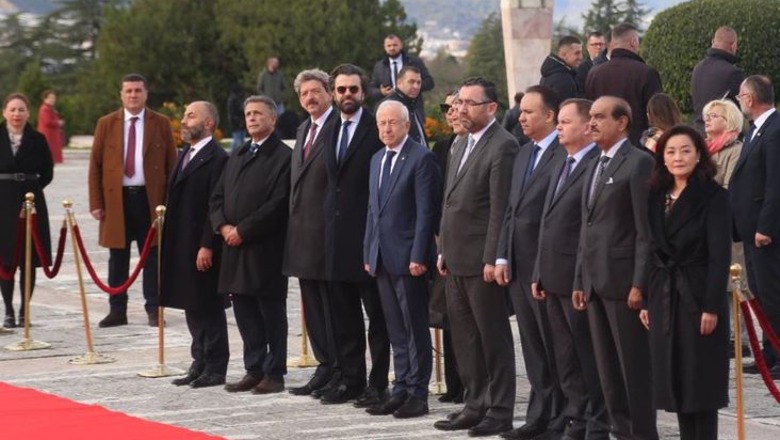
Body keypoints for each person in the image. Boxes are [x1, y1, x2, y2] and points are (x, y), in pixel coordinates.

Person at [434, 77, 518, 437]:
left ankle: (499, 409)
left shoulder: (503, 146)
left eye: (469, 103)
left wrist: (493, 257)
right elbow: (449, 199)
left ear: (491, 107)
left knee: (492, 337)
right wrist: (442, 249)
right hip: (454, 257)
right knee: (465, 338)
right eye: (459, 102)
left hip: (482, 261)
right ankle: (475, 403)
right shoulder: (458, 144)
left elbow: (500, 208)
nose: (460, 109)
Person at [572, 96, 658, 440]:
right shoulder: (596, 163)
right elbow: (586, 226)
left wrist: (640, 284)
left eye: (598, 117)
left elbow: (644, 231)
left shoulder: (638, 163)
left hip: (624, 286)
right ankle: (621, 433)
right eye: (589, 117)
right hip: (594, 284)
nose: (590, 123)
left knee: (633, 372)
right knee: (608, 373)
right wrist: (580, 278)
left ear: (622, 122)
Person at [640, 124, 730, 440]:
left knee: (699, 384)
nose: (678, 157)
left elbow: (720, 256)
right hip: (664, 295)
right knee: (674, 381)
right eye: (671, 151)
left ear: (699, 155)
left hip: (697, 294)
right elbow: (651, 249)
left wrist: (711, 306)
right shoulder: (656, 195)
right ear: (662, 157)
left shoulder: (713, 196)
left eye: (686, 150)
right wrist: (648, 299)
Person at [531, 98, 608, 440]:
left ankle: (596, 421)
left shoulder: (594, 165)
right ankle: (575, 416)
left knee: (586, 354)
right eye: (558, 121)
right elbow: (546, 223)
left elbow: (586, 230)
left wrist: (580, 277)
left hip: (577, 278)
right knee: (564, 356)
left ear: (586, 126)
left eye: (565, 121)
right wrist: (538, 272)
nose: (559, 127)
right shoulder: (563, 162)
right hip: (551, 275)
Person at [495, 85, 566, 440]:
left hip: (547, 267)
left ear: (550, 116)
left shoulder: (562, 153)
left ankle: (559, 418)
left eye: (528, 112)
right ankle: (538, 415)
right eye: (520, 112)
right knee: (532, 345)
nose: (520, 117)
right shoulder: (523, 154)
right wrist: (502, 254)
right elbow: (512, 209)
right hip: (519, 265)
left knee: (555, 347)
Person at [363, 100, 442, 418]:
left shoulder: (421, 158)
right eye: (381, 123)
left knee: (414, 327)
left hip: (409, 257)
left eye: (393, 122)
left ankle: (418, 393)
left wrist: (419, 254)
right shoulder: (377, 159)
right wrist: (369, 250)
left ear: (407, 125)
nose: (386, 128)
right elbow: (373, 210)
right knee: (395, 327)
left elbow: (426, 212)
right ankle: (401, 387)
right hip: (382, 256)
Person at [209, 95, 291, 394]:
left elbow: (279, 203)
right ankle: (253, 367)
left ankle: (275, 371)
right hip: (233, 247)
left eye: (258, 113)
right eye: (248, 114)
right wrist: (223, 226)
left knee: (270, 313)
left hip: (264, 248)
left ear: (272, 119)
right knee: (243, 311)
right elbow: (217, 196)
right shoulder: (239, 153)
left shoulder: (283, 156)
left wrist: (243, 229)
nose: (252, 118)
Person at [320, 64, 390, 407]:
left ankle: (378, 385)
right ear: (334, 93)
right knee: (343, 317)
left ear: (364, 92)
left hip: (368, 240)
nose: (347, 95)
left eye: (353, 89)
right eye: (341, 89)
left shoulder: (377, 127)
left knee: (377, 319)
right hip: (336, 241)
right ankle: (351, 380)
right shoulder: (330, 127)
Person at [88, 73, 177, 328]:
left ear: (146, 93)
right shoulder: (107, 123)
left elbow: (172, 165)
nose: (133, 95)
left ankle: (154, 308)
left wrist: (169, 204)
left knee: (152, 257)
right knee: (117, 257)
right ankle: (117, 310)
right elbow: (95, 164)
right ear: (121, 94)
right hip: (117, 201)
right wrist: (96, 202)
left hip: (151, 201)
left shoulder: (160, 123)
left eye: (138, 90)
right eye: (128, 91)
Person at [161, 101, 229, 388]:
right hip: (181, 242)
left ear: (209, 124)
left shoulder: (217, 158)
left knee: (208, 305)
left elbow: (215, 206)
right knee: (191, 304)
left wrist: (207, 244)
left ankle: (216, 365)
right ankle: (199, 360)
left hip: (202, 244)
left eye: (191, 116)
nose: (184, 121)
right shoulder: (184, 154)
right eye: (185, 115)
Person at [284, 68, 338, 397]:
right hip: (303, 235)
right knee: (313, 307)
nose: (310, 98)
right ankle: (324, 363)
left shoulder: (338, 127)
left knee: (333, 307)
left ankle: (340, 367)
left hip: (328, 234)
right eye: (304, 94)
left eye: (316, 91)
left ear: (329, 92)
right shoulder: (303, 128)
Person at [731, 75, 780, 379]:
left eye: (740, 96)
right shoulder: (756, 130)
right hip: (749, 230)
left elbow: (775, 184)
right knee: (759, 293)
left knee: (773, 293)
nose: (739, 101)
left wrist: (766, 225)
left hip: (766, 232)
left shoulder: (774, 131)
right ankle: (769, 353)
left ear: (749, 98)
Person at [0, 93, 53, 329]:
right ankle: (9, 311)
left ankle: (25, 311)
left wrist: (30, 188)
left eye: (21, 110)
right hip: (2, 204)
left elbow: (47, 172)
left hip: (31, 203)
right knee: (6, 260)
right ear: (4, 112)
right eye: (12, 109)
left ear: (28, 113)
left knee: (28, 259)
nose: (16, 114)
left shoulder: (38, 139)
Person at [703, 98, 750, 358]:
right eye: (707, 116)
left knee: (737, 285)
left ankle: (742, 337)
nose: (708, 120)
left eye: (715, 116)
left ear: (729, 120)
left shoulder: (735, 149)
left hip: (729, 225)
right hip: (706, 226)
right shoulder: (706, 148)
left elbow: (730, 187)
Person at [430, 92, 464, 404]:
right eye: (447, 108)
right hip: (444, 243)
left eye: (457, 106)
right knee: (450, 318)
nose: (452, 113)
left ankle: (474, 384)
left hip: (471, 247)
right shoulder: (441, 148)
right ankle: (455, 384)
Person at [585, 23, 662, 146]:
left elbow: (589, 111)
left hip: (602, 146)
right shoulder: (646, 73)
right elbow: (657, 116)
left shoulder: (594, 74)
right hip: (637, 147)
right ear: (633, 42)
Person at [691, 26, 743, 133]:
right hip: (721, 134)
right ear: (733, 46)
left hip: (698, 132)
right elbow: (739, 110)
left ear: (713, 41)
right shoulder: (733, 73)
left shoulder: (697, 68)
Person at [369, 34, 434, 108]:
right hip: (389, 107)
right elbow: (371, 88)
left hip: (413, 106)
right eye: (389, 46)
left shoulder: (414, 62)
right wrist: (381, 92)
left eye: (395, 45)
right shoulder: (379, 66)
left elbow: (429, 82)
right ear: (384, 47)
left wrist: (411, 87)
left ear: (401, 45)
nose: (392, 48)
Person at [380, 66, 427, 145]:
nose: (416, 86)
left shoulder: (412, 103)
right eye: (411, 82)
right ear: (399, 83)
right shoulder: (390, 106)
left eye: (419, 82)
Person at [540, 36, 583, 101]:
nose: (581, 57)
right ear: (563, 55)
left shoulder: (549, 73)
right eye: (577, 53)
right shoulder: (564, 79)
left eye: (581, 53)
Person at [37, 90, 64, 164]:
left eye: (54, 98)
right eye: (50, 98)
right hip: (48, 135)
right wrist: (58, 123)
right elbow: (47, 122)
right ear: (45, 99)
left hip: (52, 135)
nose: (53, 100)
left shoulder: (50, 108)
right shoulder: (44, 109)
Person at [226, 84, 246, 151]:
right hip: (236, 123)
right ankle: (233, 155)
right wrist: (239, 121)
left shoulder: (237, 99)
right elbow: (233, 113)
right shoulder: (234, 100)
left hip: (240, 122)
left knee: (241, 140)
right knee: (238, 141)